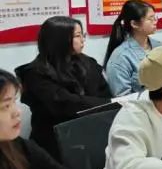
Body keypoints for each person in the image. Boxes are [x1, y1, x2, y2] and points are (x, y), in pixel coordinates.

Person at [16, 16, 112, 160]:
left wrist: (109, 103)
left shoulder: (88, 63)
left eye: (83, 35)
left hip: (92, 135)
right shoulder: (35, 73)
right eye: (77, 36)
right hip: (55, 143)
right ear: (60, 40)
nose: (83, 40)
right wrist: (106, 103)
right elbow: (64, 103)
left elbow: (105, 94)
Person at [104, 0, 161, 96]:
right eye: (150, 19)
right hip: (140, 105)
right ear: (134, 24)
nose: (155, 22)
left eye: (155, 17)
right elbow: (122, 98)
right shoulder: (120, 57)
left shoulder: (160, 47)